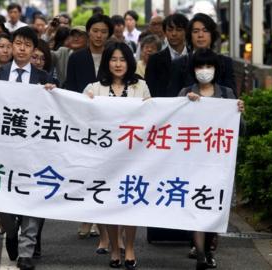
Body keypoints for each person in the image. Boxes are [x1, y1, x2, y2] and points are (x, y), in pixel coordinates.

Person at [0, 26, 52, 270]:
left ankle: (26, 251)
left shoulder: (44, 78)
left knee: (32, 197)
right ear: (11, 46)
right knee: (4, 199)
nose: (22, 49)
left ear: (34, 49)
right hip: (2, 150)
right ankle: (11, 233)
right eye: (18, 43)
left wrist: (53, 94)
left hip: (33, 151)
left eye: (28, 45)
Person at [83, 42, 150, 270]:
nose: (118, 64)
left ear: (129, 61)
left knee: (130, 201)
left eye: (122, 59)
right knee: (110, 203)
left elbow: (153, 117)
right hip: (105, 158)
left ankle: (129, 248)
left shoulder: (140, 86)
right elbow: (79, 114)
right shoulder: (93, 87)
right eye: (113, 59)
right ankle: (114, 248)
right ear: (106, 62)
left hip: (134, 155)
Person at [177, 48, 244, 270]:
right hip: (193, 163)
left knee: (215, 207)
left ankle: (209, 249)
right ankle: (201, 255)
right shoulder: (185, 92)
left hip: (219, 164)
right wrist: (186, 105)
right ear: (193, 69)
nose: (204, 71)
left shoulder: (226, 94)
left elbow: (240, 130)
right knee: (197, 206)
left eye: (209, 66)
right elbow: (173, 125)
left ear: (216, 69)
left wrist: (239, 113)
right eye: (200, 66)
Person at [167, 13, 236, 97]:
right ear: (190, 36)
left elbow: (232, 99)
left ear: (212, 34)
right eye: (195, 31)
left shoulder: (225, 62)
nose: (200, 35)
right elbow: (172, 98)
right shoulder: (179, 64)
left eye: (205, 31)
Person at [65, 13, 114, 93]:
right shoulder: (75, 58)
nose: (99, 35)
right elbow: (70, 87)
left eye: (104, 32)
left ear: (109, 34)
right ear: (88, 32)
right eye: (95, 31)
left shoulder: (113, 57)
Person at [145, 13, 189, 97]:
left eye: (179, 29)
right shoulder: (155, 60)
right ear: (165, 32)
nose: (174, 34)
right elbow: (150, 89)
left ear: (186, 32)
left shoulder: (193, 56)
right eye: (170, 30)